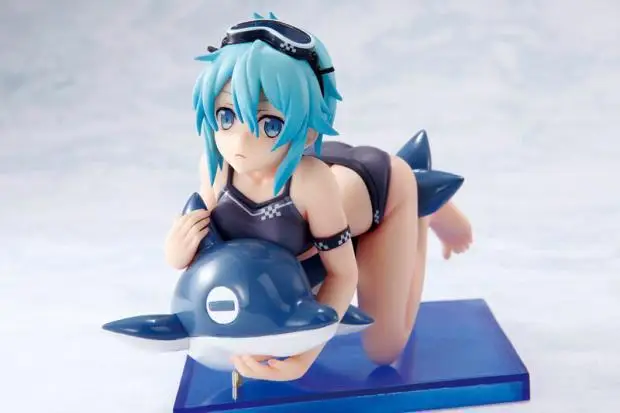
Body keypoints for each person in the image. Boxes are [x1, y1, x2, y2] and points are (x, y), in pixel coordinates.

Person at [164, 14, 472, 382]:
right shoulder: (215, 168)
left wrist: (306, 355)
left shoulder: (311, 185)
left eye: (269, 124)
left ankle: (419, 208)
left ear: (307, 131)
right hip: (310, 225)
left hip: (378, 193)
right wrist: (176, 253)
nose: (240, 143)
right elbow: (209, 249)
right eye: (227, 116)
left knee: (384, 349)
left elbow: (342, 273)